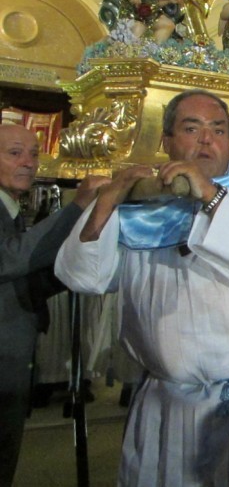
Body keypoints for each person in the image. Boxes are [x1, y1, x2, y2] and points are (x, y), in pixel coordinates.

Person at [54, 90, 229, 486]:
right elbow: (84, 277)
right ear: (167, 141)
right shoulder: (140, 201)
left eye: (219, 130)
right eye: (192, 129)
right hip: (166, 399)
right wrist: (107, 202)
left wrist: (211, 195)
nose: (207, 140)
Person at [0, 124, 104, 485]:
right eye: (15, 153)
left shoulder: (11, 208)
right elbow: (10, 259)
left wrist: (79, 267)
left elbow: (21, 286)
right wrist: (77, 207)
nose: (28, 163)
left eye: (33, 154)